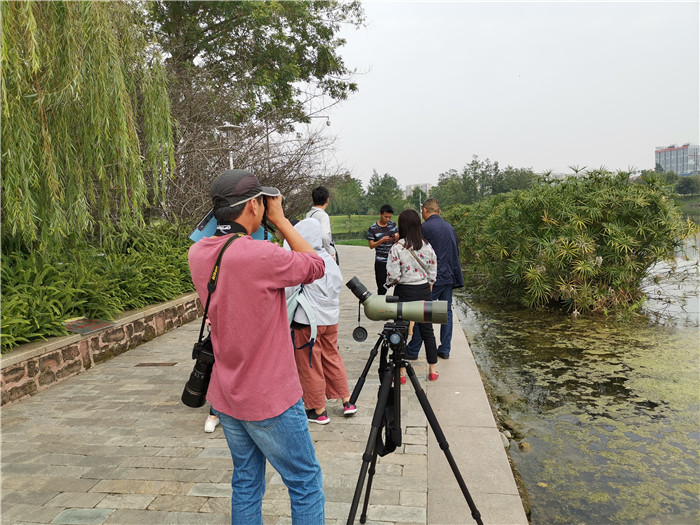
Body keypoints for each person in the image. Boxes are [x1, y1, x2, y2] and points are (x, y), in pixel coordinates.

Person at [188, 168, 326, 525]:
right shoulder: (260, 255)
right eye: (263, 203)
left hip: (227, 393)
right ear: (253, 206)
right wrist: (280, 220)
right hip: (269, 396)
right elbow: (316, 265)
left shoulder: (198, 253)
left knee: (247, 482)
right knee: (305, 482)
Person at [285, 219, 357, 425]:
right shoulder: (329, 259)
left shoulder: (302, 260)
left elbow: (288, 290)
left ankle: (318, 410)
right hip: (330, 320)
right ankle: (347, 401)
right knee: (332, 357)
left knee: (310, 364)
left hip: (307, 321)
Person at [405, 199, 464, 360]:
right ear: (439, 211)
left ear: (424, 210)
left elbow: (417, 252)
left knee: (423, 313)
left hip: (432, 278)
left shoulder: (424, 228)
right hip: (449, 276)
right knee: (446, 312)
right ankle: (445, 349)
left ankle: (413, 350)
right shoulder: (449, 227)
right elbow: (456, 252)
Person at [385, 209, 439, 382]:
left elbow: (393, 276)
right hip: (423, 290)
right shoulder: (427, 246)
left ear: (402, 226)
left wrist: (393, 281)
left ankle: (401, 373)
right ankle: (432, 370)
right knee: (427, 331)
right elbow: (433, 271)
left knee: (401, 331)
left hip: (404, 292)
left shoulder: (397, 248)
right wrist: (428, 283)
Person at [367, 204, 399, 295]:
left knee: (398, 283)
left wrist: (396, 237)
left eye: (389, 217)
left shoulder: (393, 225)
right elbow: (371, 245)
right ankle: (380, 301)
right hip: (381, 260)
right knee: (381, 287)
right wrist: (381, 240)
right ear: (380, 214)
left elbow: (397, 241)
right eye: (386, 217)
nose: (387, 219)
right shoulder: (373, 228)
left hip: (393, 260)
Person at [305, 186, 337, 263]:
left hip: (312, 254)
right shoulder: (323, 216)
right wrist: (327, 254)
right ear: (327, 200)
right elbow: (324, 237)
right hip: (324, 255)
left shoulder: (308, 215)